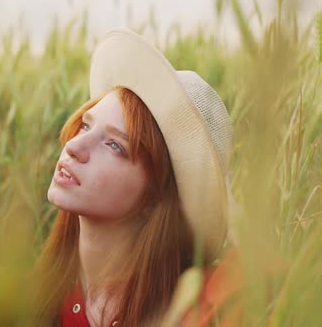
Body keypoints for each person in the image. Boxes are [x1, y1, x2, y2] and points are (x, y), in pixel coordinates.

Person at [32, 28, 238, 326]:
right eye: (86, 126)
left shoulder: (200, 307)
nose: (74, 146)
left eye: (114, 145)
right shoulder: (31, 302)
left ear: (155, 196)